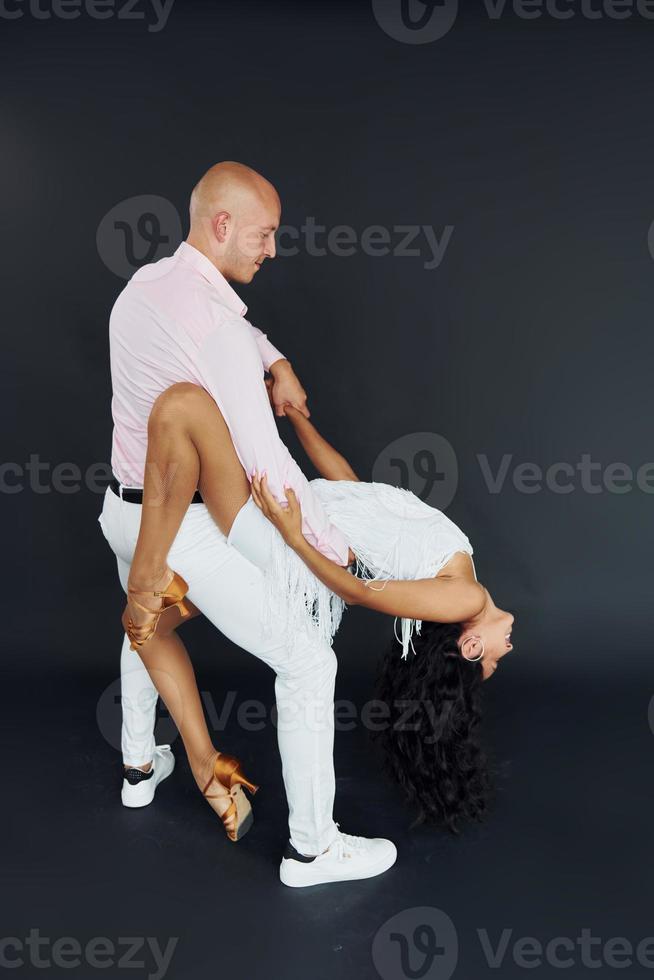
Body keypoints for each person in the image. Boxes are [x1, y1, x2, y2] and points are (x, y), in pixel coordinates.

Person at [98, 160, 397, 888]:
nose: (272, 249)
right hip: (189, 528)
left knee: (149, 626)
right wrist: (337, 548)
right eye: (264, 235)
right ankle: (313, 849)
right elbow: (263, 461)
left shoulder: (148, 286)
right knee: (308, 661)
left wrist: (277, 357)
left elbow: (231, 330)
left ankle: (140, 767)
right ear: (222, 225)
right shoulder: (219, 332)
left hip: (124, 515)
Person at [122, 382, 516, 839]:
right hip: (299, 521)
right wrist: (299, 420)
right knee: (147, 624)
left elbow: (359, 593)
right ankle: (182, 764)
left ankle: (182, 761)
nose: (505, 650)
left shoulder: (465, 597)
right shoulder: (456, 569)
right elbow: (352, 489)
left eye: (492, 659)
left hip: (280, 537)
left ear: (469, 645)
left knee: (185, 407)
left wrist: (291, 536)